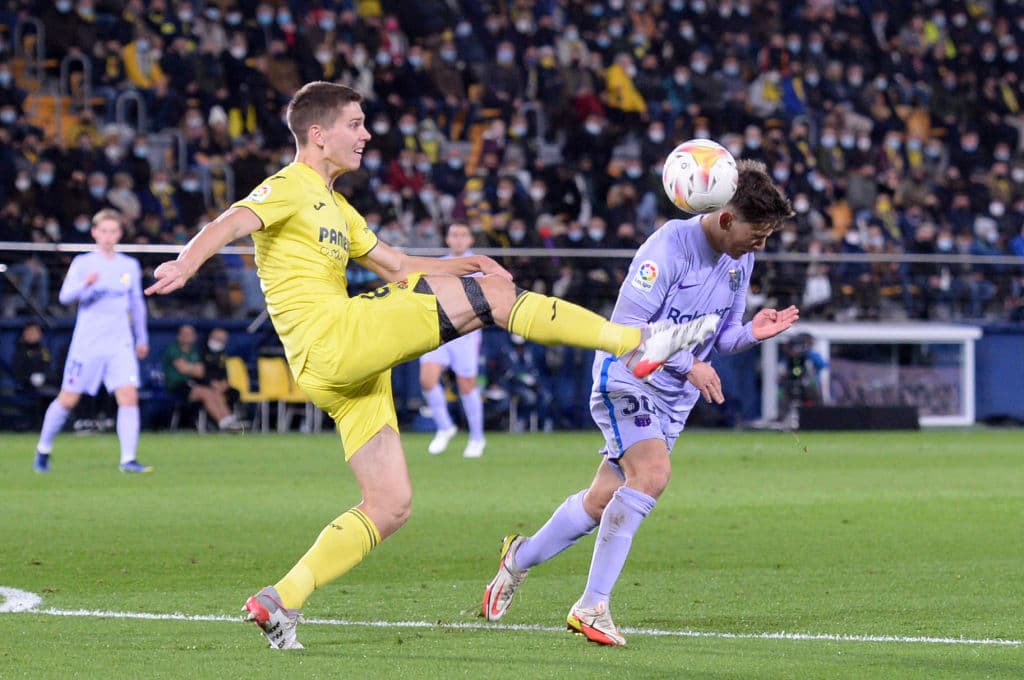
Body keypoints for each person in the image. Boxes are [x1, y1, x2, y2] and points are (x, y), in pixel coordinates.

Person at [143, 81, 716, 650]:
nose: (366, 135)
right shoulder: (289, 185)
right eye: (355, 124)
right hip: (334, 337)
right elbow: (230, 222)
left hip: (340, 370)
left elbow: (396, 266)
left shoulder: (338, 208)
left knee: (390, 505)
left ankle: (280, 599)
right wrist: (187, 262)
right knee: (495, 298)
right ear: (318, 134)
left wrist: (461, 263)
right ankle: (632, 342)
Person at [481, 159, 801, 646]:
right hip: (627, 378)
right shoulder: (666, 249)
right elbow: (626, 332)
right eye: (756, 236)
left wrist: (753, 333)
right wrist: (689, 364)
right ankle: (591, 607)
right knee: (652, 474)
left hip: (674, 399)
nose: (760, 246)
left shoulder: (741, 261)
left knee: (601, 501)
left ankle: (517, 557)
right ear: (726, 218)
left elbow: (722, 338)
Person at [32, 209, 151, 473]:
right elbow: (65, 297)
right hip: (88, 343)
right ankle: (43, 448)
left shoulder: (129, 265)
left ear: (119, 234)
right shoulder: (83, 263)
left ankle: (128, 459)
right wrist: (85, 285)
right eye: (103, 231)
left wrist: (141, 337)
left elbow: (137, 304)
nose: (108, 236)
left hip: (120, 342)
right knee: (68, 399)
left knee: (128, 396)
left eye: (113, 231)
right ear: (95, 233)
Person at [419, 222, 487, 458]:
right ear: (447, 239)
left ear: (470, 239)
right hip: (441, 329)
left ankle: (477, 437)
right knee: (427, 379)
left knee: (466, 384)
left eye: (463, 235)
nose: (458, 239)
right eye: (454, 235)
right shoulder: (440, 265)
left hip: (466, 332)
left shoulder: (479, 265)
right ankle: (445, 427)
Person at [162, 324, 243, 432]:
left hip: (193, 384)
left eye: (190, 334)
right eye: (185, 334)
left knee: (214, 392)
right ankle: (222, 421)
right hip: (178, 386)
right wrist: (192, 368)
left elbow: (201, 372)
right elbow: (183, 369)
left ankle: (228, 419)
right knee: (205, 393)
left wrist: (190, 368)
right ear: (179, 336)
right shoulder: (173, 349)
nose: (187, 336)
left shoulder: (195, 351)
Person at [12, 321, 60, 428]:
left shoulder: (44, 350)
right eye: (31, 332)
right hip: (26, 387)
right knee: (41, 396)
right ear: (25, 333)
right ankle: (37, 424)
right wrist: (30, 378)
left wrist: (46, 378)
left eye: (36, 332)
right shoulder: (20, 351)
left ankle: (51, 424)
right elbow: (18, 372)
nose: (34, 335)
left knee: (55, 393)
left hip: (46, 385)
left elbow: (49, 369)